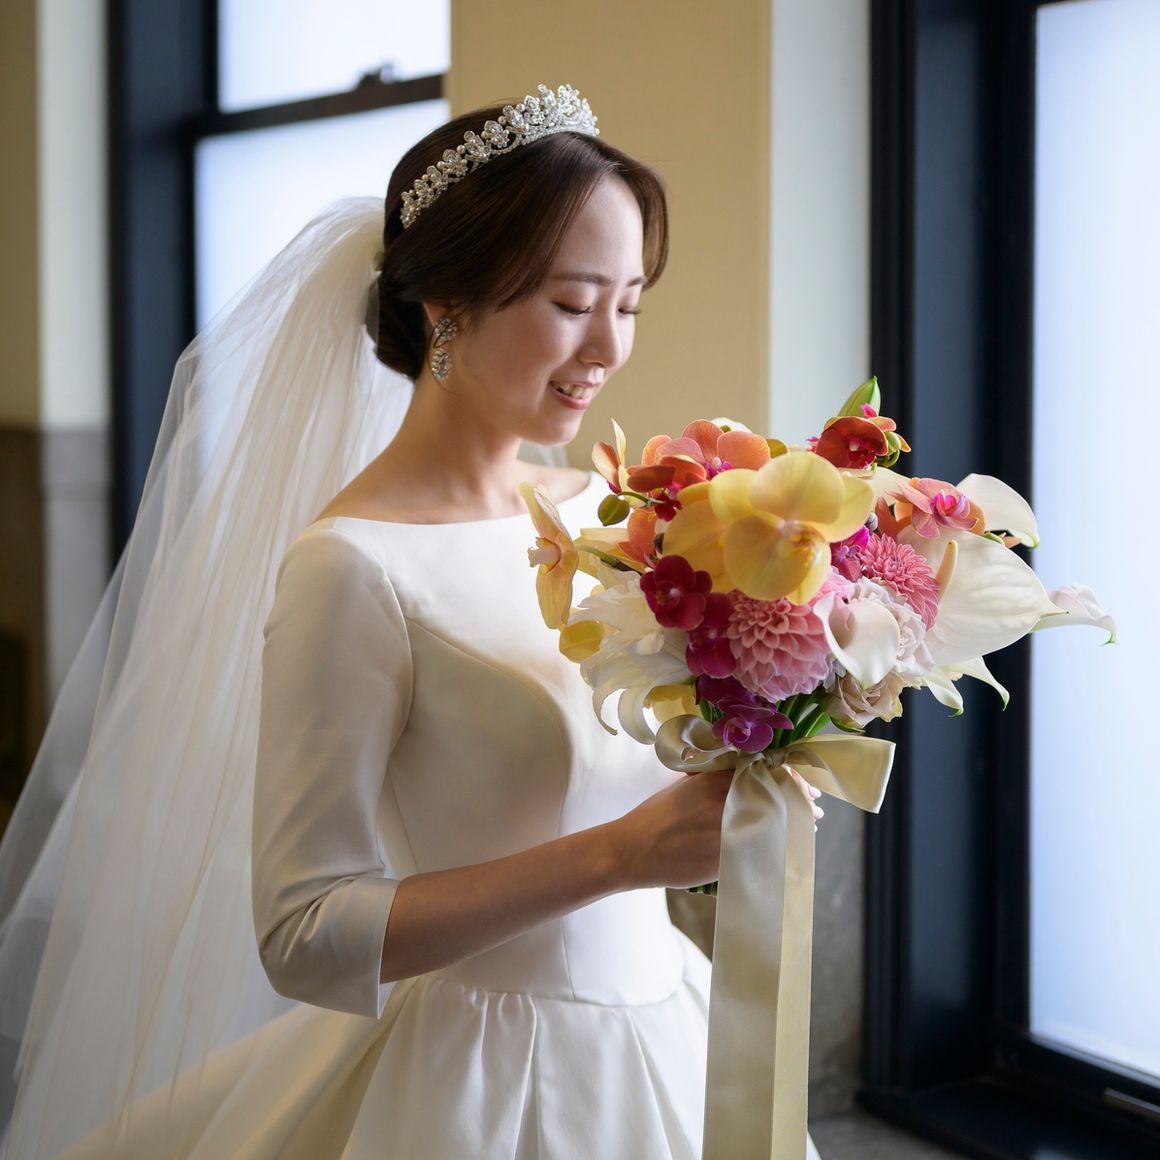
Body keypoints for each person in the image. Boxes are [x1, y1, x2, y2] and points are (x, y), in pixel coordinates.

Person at [0, 85, 822, 1158]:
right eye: (572, 302)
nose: (608, 347)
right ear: (446, 306)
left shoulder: (605, 513)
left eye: (628, 305)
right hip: (485, 1077)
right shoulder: (352, 566)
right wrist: (619, 856)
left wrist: (764, 748)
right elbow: (304, 929)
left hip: (668, 1023)